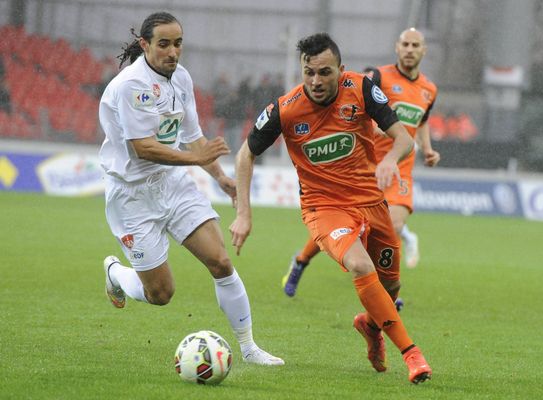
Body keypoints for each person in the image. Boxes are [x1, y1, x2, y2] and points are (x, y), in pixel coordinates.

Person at [229, 32, 431, 384]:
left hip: (371, 201)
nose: (316, 81)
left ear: (341, 69)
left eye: (324, 72)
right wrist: (244, 214)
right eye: (309, 72)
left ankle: (370, 325)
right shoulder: (286, 108)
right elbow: (245, 154)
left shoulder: (363, 89)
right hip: (324, 208)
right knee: (359, 264)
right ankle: (412, 355)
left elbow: (404, 138)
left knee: (391, 286)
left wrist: (390, 161)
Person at [98, 11, 283, 366]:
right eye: (163, 44)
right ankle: (116, 274)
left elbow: (192, 137)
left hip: (173, 185)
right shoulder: (130, 86)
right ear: (145, 45)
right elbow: (143, 148)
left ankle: (248, 348)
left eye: (178, 43)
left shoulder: (181, 78)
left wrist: (221, 178)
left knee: (221, 261)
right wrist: (196, 162)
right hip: (132, 197)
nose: (172, 52)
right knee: (161, 293)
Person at [283, 28, 440, 297]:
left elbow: (421, 120)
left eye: (416, 45)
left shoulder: (429, 89)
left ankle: (385, 289)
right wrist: (373, 127)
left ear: (423, 50)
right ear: (397, 47)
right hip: (365, 166)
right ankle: (301, 261)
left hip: (399, 166)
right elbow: (353, 103)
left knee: (394, 226)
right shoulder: (379, 77)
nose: (410, 49)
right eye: (405, 44)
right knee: (342, 226)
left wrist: (427, 148)